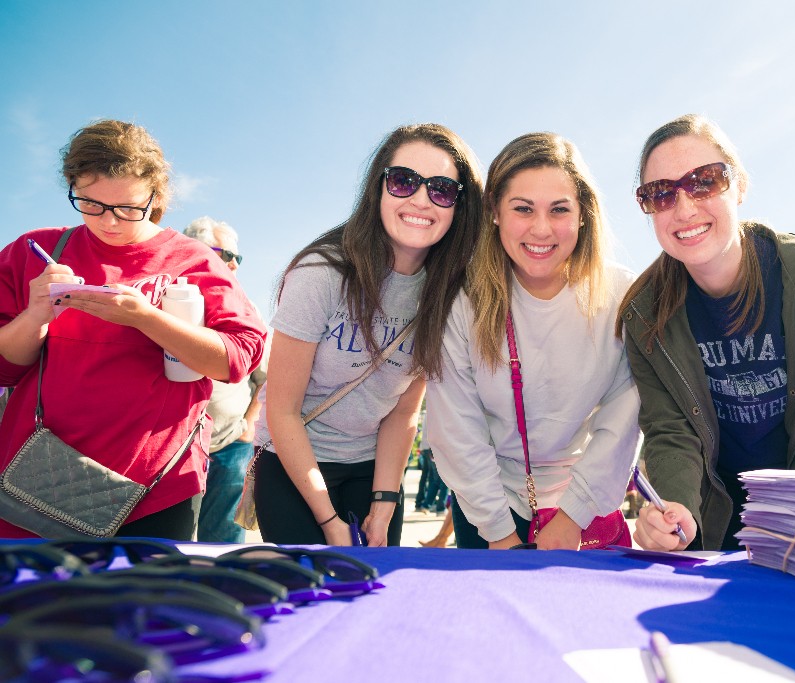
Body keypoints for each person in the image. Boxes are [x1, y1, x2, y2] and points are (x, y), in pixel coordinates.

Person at [0, 120, 266, 540]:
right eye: (90, 204)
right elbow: (5, 370)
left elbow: (237, 359)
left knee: (146, 606)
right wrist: (34, 316)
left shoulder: (194, 260)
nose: (109, 222)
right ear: (73, 186)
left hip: (158, 488)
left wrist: (147, 319)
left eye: (128, 207)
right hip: (37, 483)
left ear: (156, 197)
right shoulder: (35, 252)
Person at [618, 114, 795, 553]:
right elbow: (671, 431)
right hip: (717, 529)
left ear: (740, 186)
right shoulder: (644, 314)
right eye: (661, 193)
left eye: (705, 181)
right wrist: (675, 513)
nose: (684, 208)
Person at [253, 123, 484, 547]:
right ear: (378, 187)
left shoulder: (447, 292)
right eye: (403, 181)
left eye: (442, 190)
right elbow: (281, 411)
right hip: (294, 461)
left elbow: (402, 414)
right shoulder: (321, 272)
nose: (419, 199)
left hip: (373, 466)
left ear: (459, 206)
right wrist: (329, 521)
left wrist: (384, 504)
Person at [426, 132, 641, 550]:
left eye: (559, 209)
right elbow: (457, 429)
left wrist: (573, 515)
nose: (541, 229)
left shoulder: (622, 296)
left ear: (583, 214)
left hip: (584, 505)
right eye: (523, 209)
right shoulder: (463, 299)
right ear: (494, 213)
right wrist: (498, 532)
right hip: (488, 507)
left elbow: (624, 417)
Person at [183, 216, 268, 543]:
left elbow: (265, 378)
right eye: (225, 254)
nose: (234, 262)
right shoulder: (168, 300)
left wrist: (248, 428)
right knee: (173, 545)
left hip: (230, 445)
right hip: (178, 447)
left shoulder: (248, 311)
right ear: (195, 250)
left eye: (238, 257)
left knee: (222, 545)